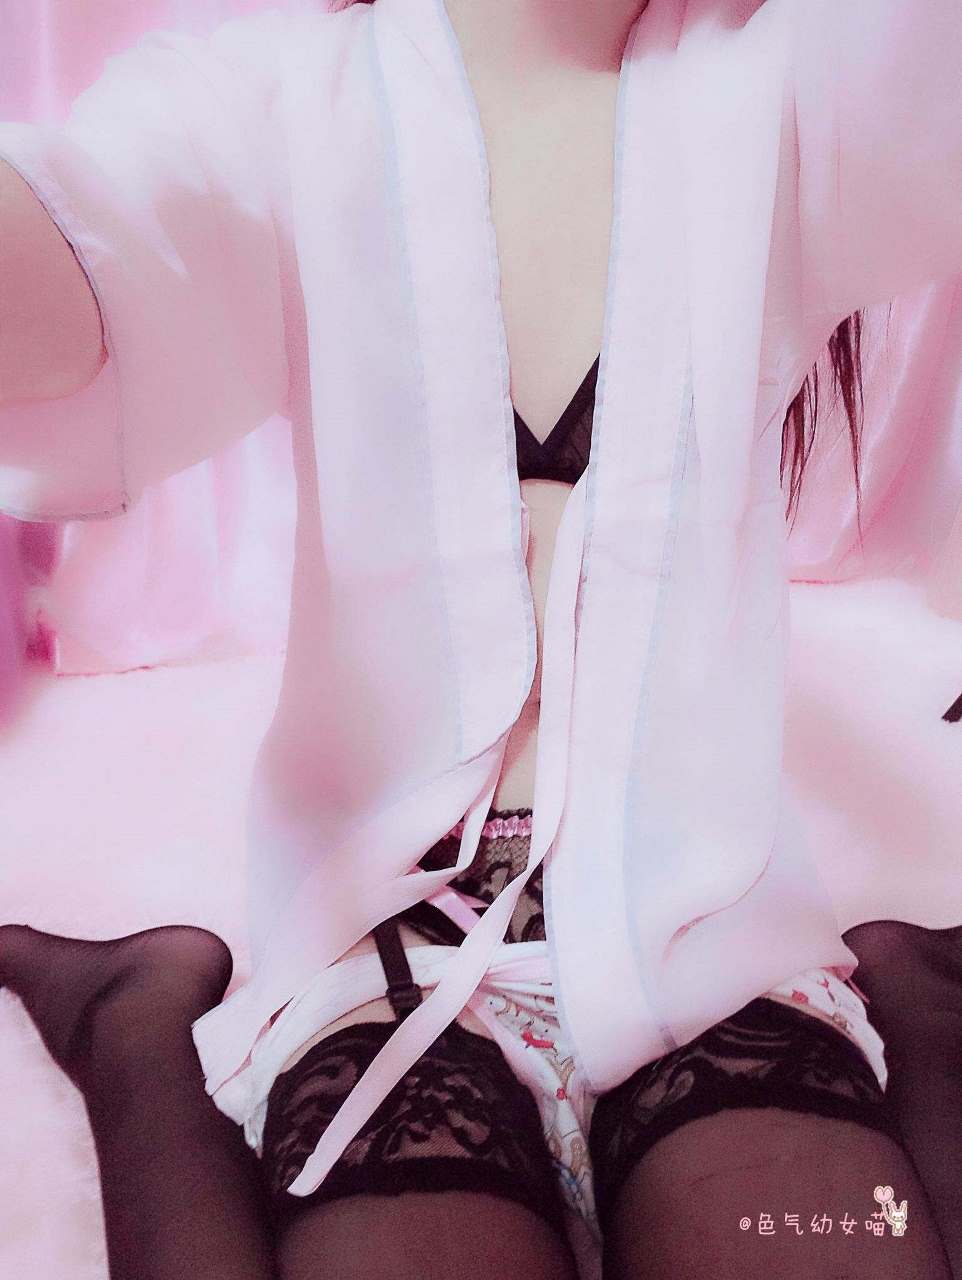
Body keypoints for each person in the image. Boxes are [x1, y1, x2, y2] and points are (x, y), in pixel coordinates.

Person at [1, 0, 960, 1277]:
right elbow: (91, 261)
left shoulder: (789, 81)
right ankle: (139, 1019)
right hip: (386, 934)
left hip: (705, 925)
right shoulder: (282, 96)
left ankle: (904, 999)